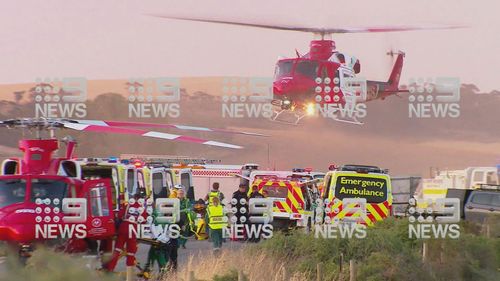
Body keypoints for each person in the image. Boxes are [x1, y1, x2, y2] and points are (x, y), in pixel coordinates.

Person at [105, 194, 146, 276]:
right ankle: (129, 274)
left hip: (123, 227)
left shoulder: (127, 206)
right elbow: (144, 221)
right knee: (130, 252)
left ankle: (110, 269)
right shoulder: (142, 208)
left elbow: (120, 215)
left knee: (117, 250)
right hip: (133, 229)